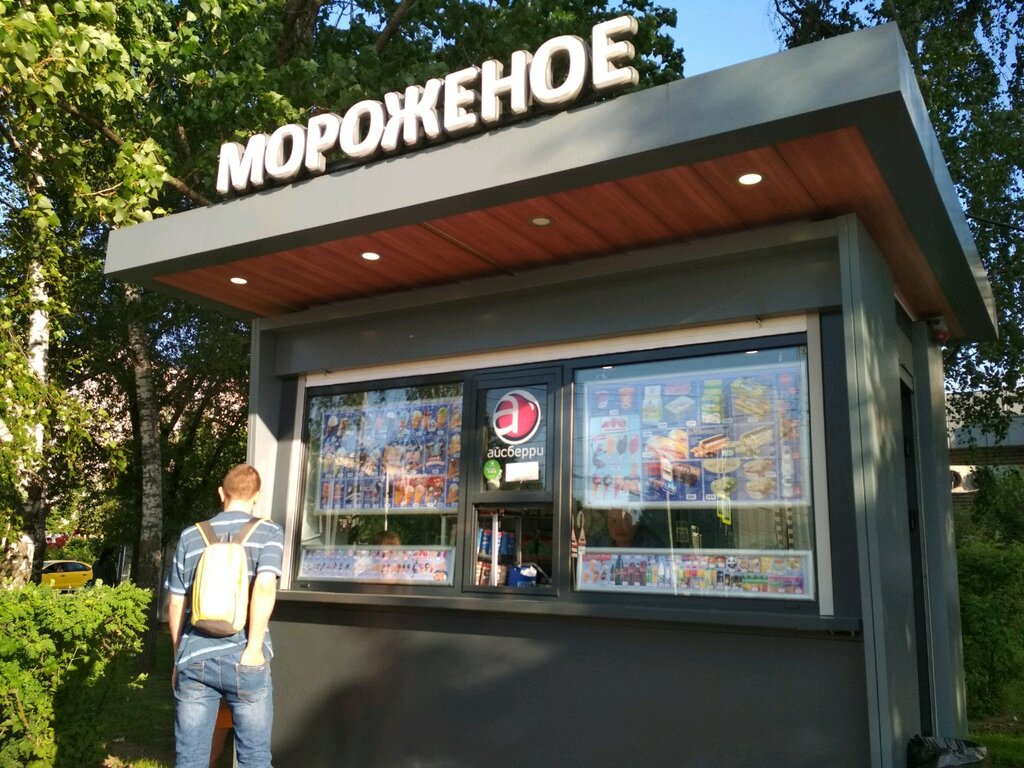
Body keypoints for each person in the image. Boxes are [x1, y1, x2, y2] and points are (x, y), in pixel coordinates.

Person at [167, 464, 284, 768]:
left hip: (195, 657)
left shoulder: (191, 536)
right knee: (254, 758)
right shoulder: (269, 532)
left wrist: (178, 658)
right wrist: (254, 649)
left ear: (222, 493)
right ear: (257, 496)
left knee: (190, 759)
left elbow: (176, 603)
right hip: (245, 655)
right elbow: (264, 587)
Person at [589, 508, 664, 548]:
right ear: (607, 524)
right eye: (613, 521)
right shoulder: (597, 541)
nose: (619, 527)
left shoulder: (651, 544)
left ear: (636, 523)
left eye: (627, 520)